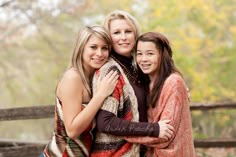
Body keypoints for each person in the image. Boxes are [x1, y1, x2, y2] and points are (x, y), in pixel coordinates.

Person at [90, 10, 174, 157]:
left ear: (135, 34)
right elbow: (105, 122)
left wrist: (176, 87)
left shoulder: (136, 68)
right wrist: (153, 129)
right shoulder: (110, 71)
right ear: (108, 38)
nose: (123, 37)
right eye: (116, 32)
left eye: (128, 31)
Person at [40, 25, 119, 157]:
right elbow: (72, 131)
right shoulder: (72, 78)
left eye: (104, 48)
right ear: (81, 48)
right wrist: (100, 95)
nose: (99, 53)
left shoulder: (95, 78)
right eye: (93, 47)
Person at [130, 31, 195, 156]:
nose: (143, 59)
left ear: (162, 55)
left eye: (150, 54)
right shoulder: (145, 83)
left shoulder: (173, 82)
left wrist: (121, 133)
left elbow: (164, 134)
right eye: (139, 54)